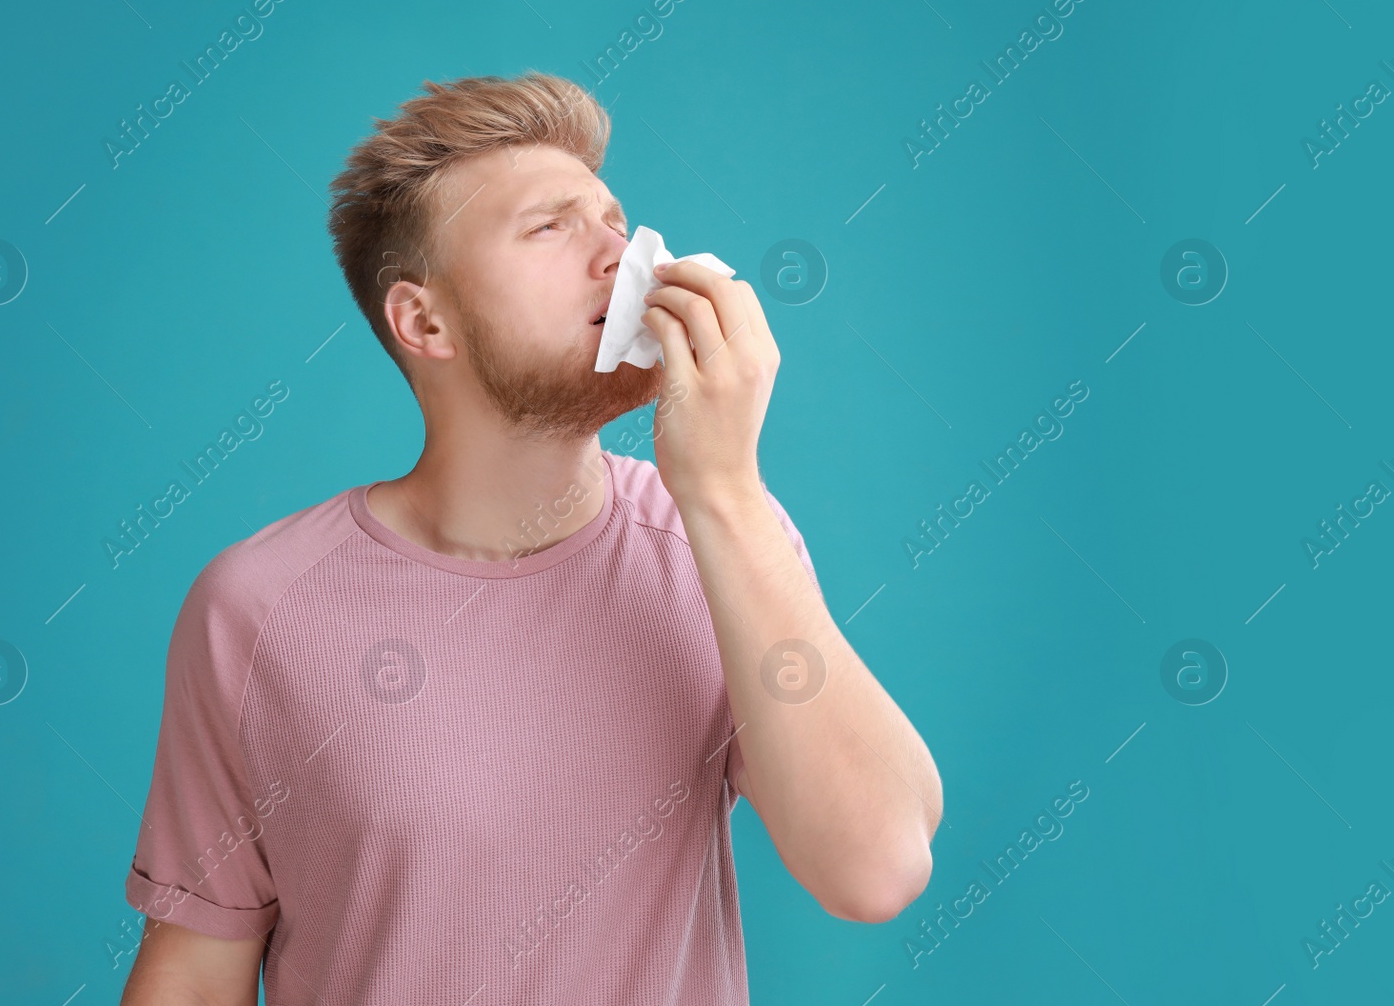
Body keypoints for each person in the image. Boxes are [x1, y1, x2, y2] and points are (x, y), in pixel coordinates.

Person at [120, 71, 941, 1005]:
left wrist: (724, 491)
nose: (621, 254)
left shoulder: (713, 535)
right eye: (551, 227)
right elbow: (192, 969)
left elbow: (876, 867)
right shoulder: (256, 606)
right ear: (423, 320)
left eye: (612, 220)